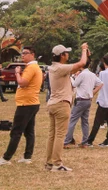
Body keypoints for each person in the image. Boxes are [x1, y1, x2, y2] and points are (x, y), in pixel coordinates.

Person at [0, 46, 43, 167]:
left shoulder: (31, 67)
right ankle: (27, 156)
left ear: (33, 54)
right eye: (22, 53)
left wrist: (17, 73)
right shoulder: (34, 67)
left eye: (25, 53)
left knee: (16, 131)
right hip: (32, 102)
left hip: (26, 104)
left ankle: (6, 157)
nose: (23, 55)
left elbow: (22, 82)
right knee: (29, 131)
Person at [44, 43, 89, 172]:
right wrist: (84, 50)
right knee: (60, 135)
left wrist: (85, 55)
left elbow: (78, 67)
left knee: (52, 135)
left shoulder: (54, 68)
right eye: (66, 53)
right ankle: (57, 163)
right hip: (61, 104)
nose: (68, 55)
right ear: (62, 56)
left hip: (53, 103)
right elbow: (82, 63)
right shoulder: (60, 68)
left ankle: (49, 163)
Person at [83, 54, 108, 148]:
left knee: (97, 122)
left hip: (104, 100)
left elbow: (99, 83)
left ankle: (90, 140)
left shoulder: (102, 73)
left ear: (104, 63)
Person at [63, 60, 100, 148]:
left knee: (72, 120)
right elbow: (100, 83)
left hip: (80, 100)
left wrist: (73, 77)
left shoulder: (82, 74)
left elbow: (74, 84)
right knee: (85, 121)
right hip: (88, 100)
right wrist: (92, 92)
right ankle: (85, 142)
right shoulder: (92, 74)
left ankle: (67, 141)